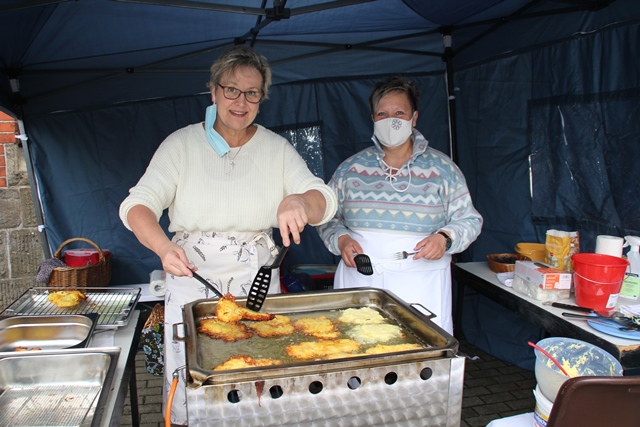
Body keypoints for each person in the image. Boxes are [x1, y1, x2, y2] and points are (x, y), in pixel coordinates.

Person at [119, 46, 337, 425]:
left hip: (256, 279)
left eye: (252, 92)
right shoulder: (181, 145)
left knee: (258, 376)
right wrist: (162, 246)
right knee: (197, 379)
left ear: (262, 98)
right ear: (213, 91)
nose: (241, 101)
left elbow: (324, 199)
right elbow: (137, 206)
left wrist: (299, 201)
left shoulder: (276, 149)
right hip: (190, 274)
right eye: (232, 89)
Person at [317, 76, 482, 335]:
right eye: (382, 113)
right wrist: (341, 240)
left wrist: (444, 239)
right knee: (358, 349)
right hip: (361, 277)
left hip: (422, 281)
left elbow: (470, 220)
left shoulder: (442, 169)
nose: (390, 120)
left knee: (420, 351)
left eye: (399, 113)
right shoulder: (350, 169)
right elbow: (327, 216)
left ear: (414, 118)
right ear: (373, 118)